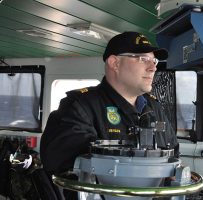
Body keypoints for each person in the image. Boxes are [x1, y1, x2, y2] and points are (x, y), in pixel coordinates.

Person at [40, 31, 179, 175]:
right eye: (143, 59)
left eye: (154, 61)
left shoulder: (154, 107)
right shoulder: (79, 106)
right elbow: (62, 165)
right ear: (114, 63)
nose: (153, 67)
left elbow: (174, 154)